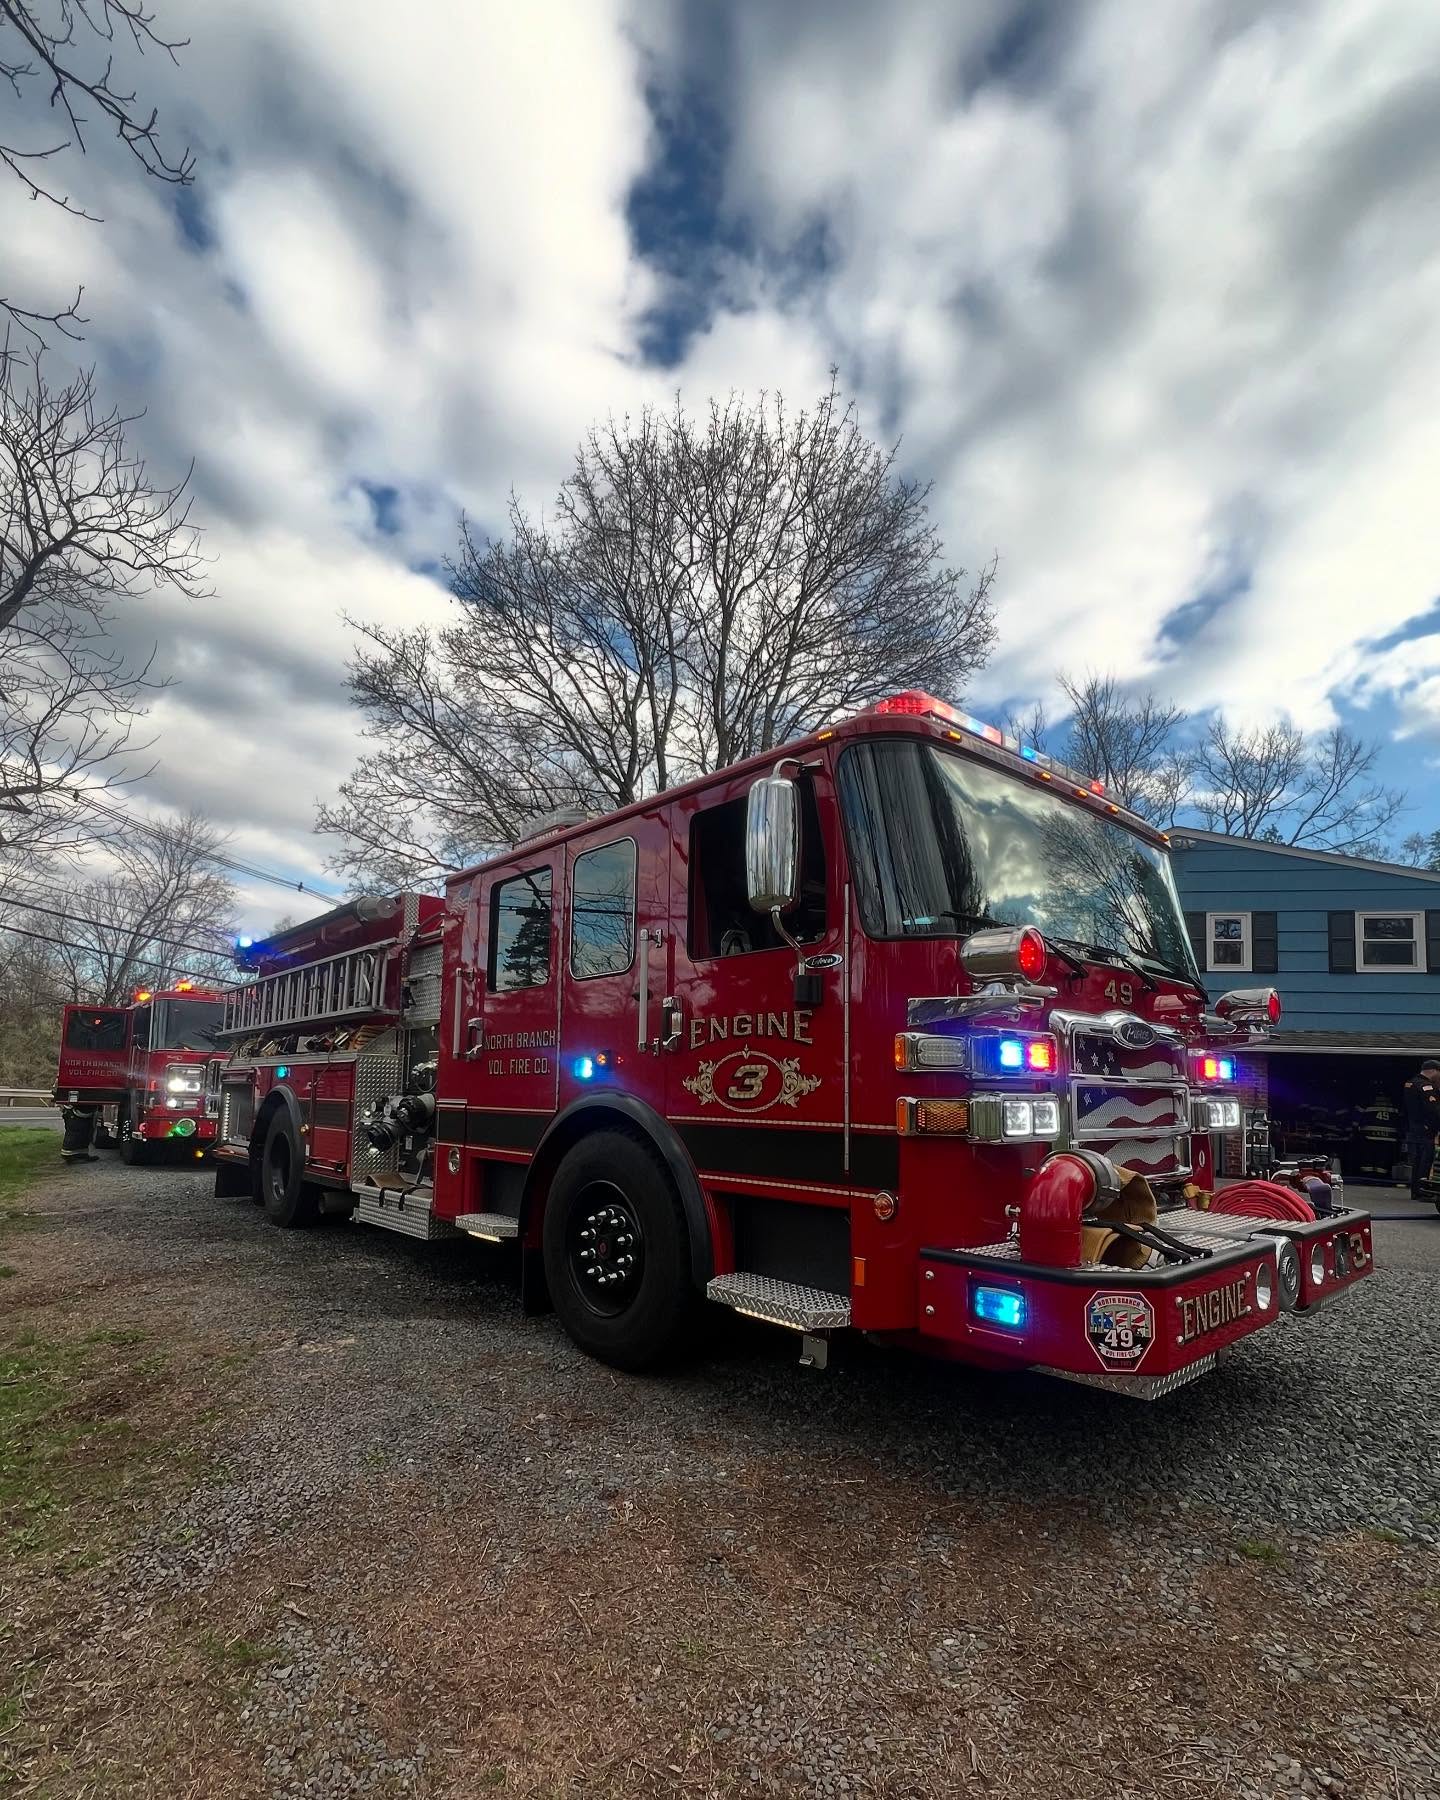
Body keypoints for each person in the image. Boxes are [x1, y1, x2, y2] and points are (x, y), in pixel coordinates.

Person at [1402, 1058, 1440, 1200]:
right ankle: (1423, 1191)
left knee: (1417, 1161)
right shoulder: (1426, 1086)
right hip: (1426, 1129)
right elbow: (1434, 1110)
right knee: (1426, 1159)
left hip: (1413, 1128)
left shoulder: (1410, 1083)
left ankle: (1416, 1191)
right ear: (1434, 1071)